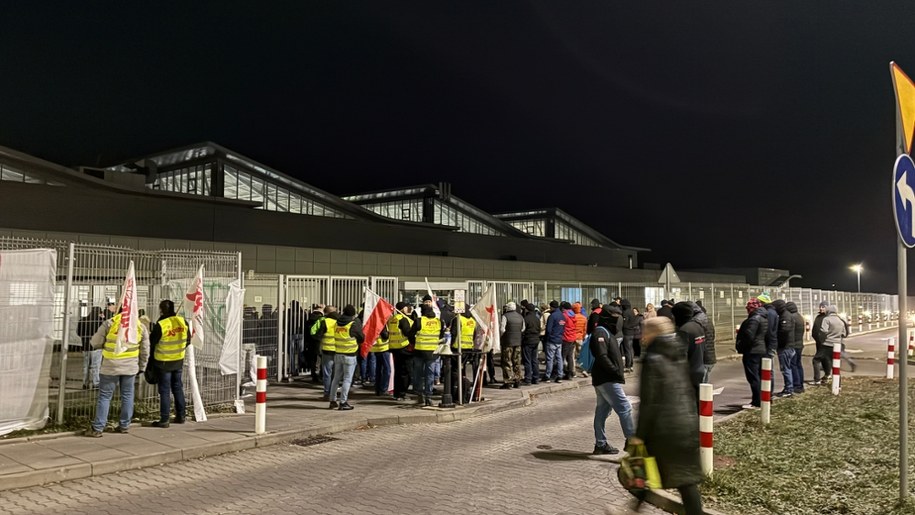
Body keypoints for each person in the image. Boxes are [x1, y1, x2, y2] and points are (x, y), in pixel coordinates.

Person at [630, 317, 706, 515]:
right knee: (686, 482)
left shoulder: (652, 359)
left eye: (645, 332)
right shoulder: (678, 354)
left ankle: (632, 509)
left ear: (652, 334)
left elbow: (650, 402)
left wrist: (640, 434)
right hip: (686, 425)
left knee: (644, 471)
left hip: (664, 431)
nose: (642, 336)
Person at [86, 306, 150, 437]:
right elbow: (145, 350)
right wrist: (142, 366)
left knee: (105, 396)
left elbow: (95, 342)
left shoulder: (110, 323)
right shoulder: (140, 327)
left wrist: (104, 344)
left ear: (119, 311)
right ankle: (124, 425)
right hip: (130, 367)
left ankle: (98, 428)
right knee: (127, 395)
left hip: (110, 366)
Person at [590, 305, 634, 455]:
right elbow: (601, 356)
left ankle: (600, 444)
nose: (619, 320)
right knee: (625, 408)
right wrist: (615, 371)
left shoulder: (607, 332)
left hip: (604, 377)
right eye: (615, 317)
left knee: (602, 411)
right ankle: (632, 442)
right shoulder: (600, 332)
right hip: (606, 378)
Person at [149, 300, 190, 428]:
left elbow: (152, 342)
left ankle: (164, 419)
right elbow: (188, 340)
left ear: (161, 310)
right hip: (178, 360)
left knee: (165, 390)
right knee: (177, 387)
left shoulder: (161, 324)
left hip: (163, 362)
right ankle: (181, 415)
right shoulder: (183, 321)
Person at [329, 305, 363, 410]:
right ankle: (343, 402)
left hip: (338, 353)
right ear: (353, 314)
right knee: (347, 380)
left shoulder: (337, 323)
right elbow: (361, 337)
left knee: (336, 378)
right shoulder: (353, 324)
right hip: (350, 355)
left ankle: (332, 400)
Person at [735, 298, 768, 409]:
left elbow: (749, 336)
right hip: (760, 349)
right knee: (759, 376)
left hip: (752, 351)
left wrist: (741, 345)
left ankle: (756, 402)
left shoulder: (754, 319)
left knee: (753, 377)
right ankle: (762, 399)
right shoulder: (763, 318)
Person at [672, 301, 706, 400]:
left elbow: (679, 355)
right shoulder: (698, 326)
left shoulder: (684, 330)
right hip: (699, 368)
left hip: (687, 373)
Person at [411, 305, 444, 406]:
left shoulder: (419, 321)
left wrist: (414, 342)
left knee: (418, 374)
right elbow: (441, 336)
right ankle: (428, 396)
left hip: (419, 351)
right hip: (432, 353)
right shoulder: (439, 322)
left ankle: (419, 394)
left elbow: (410, 333)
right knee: (430, 374)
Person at [311, 305, 339, 401]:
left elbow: (316, 335)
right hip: (339, 350)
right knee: (336, 374)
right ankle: (334, 394)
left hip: (327, 350)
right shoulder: (341, 322)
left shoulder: (325, 321)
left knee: (327, 373)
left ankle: (327, 393)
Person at [388, 303, 415, 400]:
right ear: (403, 308)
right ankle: (402, 393)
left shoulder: (392, 319)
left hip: (394, 348)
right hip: (404, 348)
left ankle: (397, 393)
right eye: (407, 307)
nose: (409, 308)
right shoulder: (403, 319)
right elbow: (408, 333)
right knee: (406, 372)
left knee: (398, 371)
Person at [78, 306, 105, 389]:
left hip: (85, 346)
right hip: (96, 347)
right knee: (96, 366)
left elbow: (78, 332)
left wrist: (85, 337)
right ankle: (95, 383)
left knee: (86, 366)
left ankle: (85, 383)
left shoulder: (83, 320)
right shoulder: (100, 322)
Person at [500, 302, 525, 389]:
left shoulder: (505, 316)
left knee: (507, 361)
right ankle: (517, 381)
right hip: (518, 342)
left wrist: (501, 337)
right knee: (517, 362)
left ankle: (508, 381)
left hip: (507, 342)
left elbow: (502, 329)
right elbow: (523, 329)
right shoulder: (520, 316)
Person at [774, 299, 796, 397]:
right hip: (788, 346)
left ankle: (788, 389)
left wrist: (777, 338)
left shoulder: (785, 316)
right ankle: (789, 388)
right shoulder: (786, 315)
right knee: (787, 368)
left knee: (785, 368)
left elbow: (784, 331)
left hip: (786, 347)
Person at [691, 302, 716, 383]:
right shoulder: (708, 321)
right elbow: (713, 336)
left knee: (700, 383)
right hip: (710, 357)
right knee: (704, 382)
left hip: (703, 357)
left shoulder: (697, 322)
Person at [787, 301, 806, 394]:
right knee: (798, 364)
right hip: (800, 344)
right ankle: (800, 384)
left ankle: (797, 385)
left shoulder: (792, 318)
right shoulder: (799, 317)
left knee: (793, 365)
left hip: (794, 345)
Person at [544, 300, 565, 383]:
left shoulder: (552, 316)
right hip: (559, 340)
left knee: (550, 358)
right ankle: (560, 375)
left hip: (552, 340)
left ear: (552, 307)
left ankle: (548, 376)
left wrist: (547, 338)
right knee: (559, 358)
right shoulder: (562, 316)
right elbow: (563, 327)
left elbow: (548, 329)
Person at [521, 303, 541, 385]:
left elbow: (523, 330)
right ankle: (536, 378)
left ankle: (528, 378)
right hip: (536, 340)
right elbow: (539, 329)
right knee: (534, 360)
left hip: (528, 340)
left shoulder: (526, 318)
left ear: (527, 309)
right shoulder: (537, 319)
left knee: (527, 360)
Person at [810, 302, 830, 384]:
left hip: (825, 343)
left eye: (823, 307)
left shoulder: (828, 318)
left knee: (816, 360)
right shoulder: (818, 317)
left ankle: (817, 379)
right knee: (825, 360)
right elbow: (814, 330)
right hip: (818, 343)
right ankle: (827, 375)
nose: (821, 308)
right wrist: (817, 339)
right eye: (820, 307)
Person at [560, 301, 579, 380]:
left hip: (565, 337)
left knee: (562, 356)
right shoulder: (573, 315)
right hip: (573, 337)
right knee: (570, 356)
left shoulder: (564, 315)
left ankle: (563, 372)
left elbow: (561, 325)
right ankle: (570, 373)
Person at [620, 299, 637, 372]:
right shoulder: (631, 312)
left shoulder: (625, 313)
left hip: (626, 333)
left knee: (627, 350)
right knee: (630, 349)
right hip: (632, 333)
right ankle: (631, 365)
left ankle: (628, 366)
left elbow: (624, 323)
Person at [572, 302, 588, 377]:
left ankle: (573, 371)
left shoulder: (572, 317)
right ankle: (584, 370)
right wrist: (583, 336)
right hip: (580, 337)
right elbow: (585, 330)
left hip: (572, 337)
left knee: (572, 355)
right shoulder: (584, 318)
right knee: (582, 355)